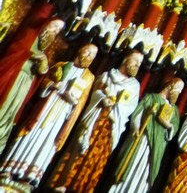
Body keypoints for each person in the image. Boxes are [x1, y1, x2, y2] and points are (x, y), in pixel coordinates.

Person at [0, 44, 97, 190]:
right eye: (88, 52)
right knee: (30, 134)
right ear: (80, 50)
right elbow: (43, 82)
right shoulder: (61, 65)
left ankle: (29, 177)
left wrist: (72, 100)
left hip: (61, 114)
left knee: (46, 142)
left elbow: (82, 100)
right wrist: (52, 85)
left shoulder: (89, 77)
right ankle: (8, 169)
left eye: (92, 55)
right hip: (46, 106)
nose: (89, 56)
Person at [49, 49, 144, 193]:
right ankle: (63, 183)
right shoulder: (107, 76)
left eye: (139, 63)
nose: (137, 65)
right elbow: (93, 93)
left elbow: (130, 107)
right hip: (95, 117)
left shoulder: (134, 85)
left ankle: (83, 188)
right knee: (80, 148)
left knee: (97, 157)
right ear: (125, 59)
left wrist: (117, 105)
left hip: (111, 124)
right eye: (135, 60)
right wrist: (102, 98)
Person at [108, 77, 184, 193]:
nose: (179, 92)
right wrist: (136, 126)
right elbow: (138, 113)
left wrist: (168, 125)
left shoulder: (173, 109)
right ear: (170, 85)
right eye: (178, 88)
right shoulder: (151, 98)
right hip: (143, 137)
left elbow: (174, 127)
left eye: (181, 90)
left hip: (157, 145)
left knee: (146, 171)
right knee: (131, 164)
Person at [0, 18, 64, 153]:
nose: (55, 31)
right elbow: (13, 52)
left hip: (24, 85)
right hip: (12, 78)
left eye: (58, 30)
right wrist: (30, 56)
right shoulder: (29, 35)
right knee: (3, 106)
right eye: (54, 26)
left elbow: (40, 74)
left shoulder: (45, 50)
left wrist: (43, 68)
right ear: (46, 23)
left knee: (11, 112)